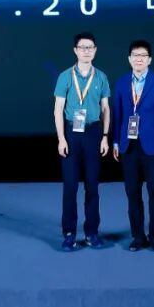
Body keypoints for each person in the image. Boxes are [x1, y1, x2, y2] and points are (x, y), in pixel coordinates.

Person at [112, 39, 154, 251]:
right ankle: (138, 237)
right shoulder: (121, 83)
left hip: (153, 146)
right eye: (135, 55)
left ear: (149, 59)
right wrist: (116, 141)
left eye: (143, 55)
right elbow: (118, 115)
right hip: (128, 146)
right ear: (129, 59)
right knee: (132, 192)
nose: (139, 59)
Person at [54, 32, 111, 251]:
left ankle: (91, 232)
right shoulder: (65, 76)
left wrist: (105, 136)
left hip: (93, 132)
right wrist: (61, 139)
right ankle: (69, 233)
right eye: (82, 47)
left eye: (90, 47)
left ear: (95, 50)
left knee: (92, 186)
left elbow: (106, 108)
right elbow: (58, 109)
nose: (86, 51)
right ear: (75, 50)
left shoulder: (101, 77)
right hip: (71, 133)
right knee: (70, 186)